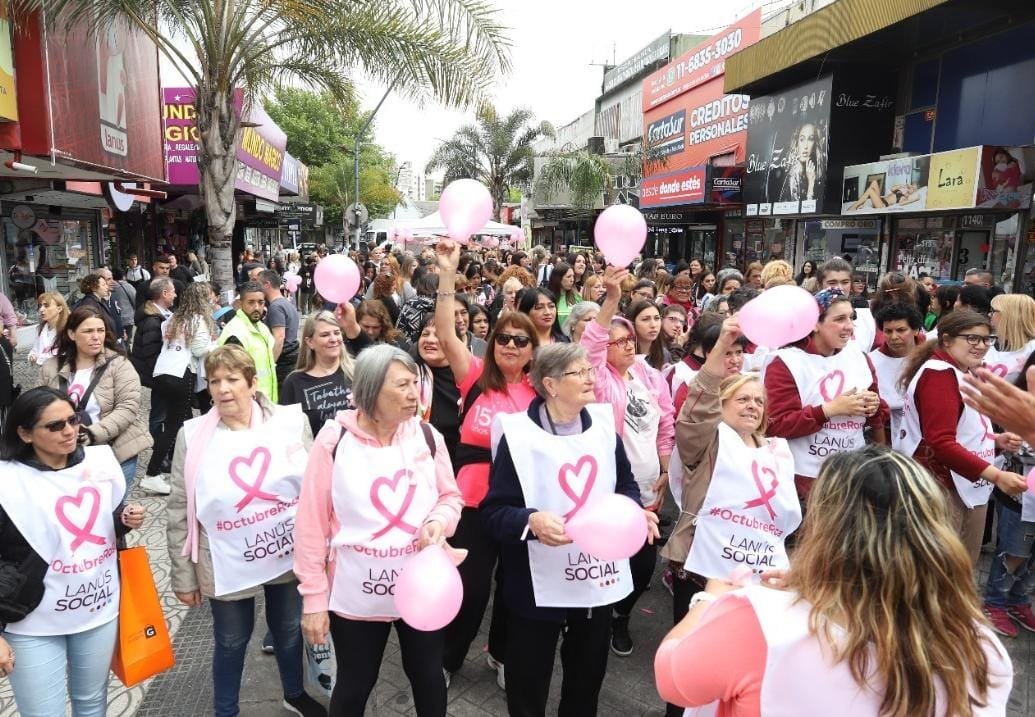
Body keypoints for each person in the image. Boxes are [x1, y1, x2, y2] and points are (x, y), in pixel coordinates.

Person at [655, 445, 1013, 716]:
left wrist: (707, 602)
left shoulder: (760, 625)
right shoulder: (982, 649)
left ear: (826, 527)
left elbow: (672, 678)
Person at [482, 342, 659, 715]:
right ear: (550, 383)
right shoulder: (517, 436)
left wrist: (634, 512)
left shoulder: (603, 430)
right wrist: (529, 520)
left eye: (589, 371)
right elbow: (495, 512)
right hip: (536, 584)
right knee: (528, 677)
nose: (589, 378)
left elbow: (624, 486)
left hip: (594, 576)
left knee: (587, 674)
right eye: (578, 372)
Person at [294, 345, 462, 715]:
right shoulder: (334, 441)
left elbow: (451, 497)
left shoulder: (427, 436)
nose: (413, 394)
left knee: (428, 676)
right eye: (401, 385)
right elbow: (309, 527)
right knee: (355, 684)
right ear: (371, 391)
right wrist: (314, 601)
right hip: (356, 590)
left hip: (421, 585)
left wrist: (438, 522)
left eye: (414, 383)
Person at [167, 345, 324, 717]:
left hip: (286, 552)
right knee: (231, 639)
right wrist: (183, 576)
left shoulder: (288, 423)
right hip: (226, 559)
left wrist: (322, 553)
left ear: (253, 383)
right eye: (215, 381)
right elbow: (178, 508)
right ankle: (227, 711)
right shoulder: (191, 437)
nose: (222, 389)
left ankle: (294, 692)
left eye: (232, 380)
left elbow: (318, 488)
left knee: (287, 629)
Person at [0, 387, 145, 717]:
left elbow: (93, 526)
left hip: (96, 610)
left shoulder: (98, 464)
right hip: (31, 622)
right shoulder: (6, 482)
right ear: (24, 433)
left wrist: (122, 519)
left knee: (92, 702)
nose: (69, 431)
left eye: (73, 420)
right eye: (54, 426)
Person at [434, 239, 540, 686]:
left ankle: (501, 652)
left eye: (521, 340)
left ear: (533, 349)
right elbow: (444, 334)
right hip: (474, 503)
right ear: (492, 343)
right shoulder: (475, 376)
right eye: (504, 338)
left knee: (515, 590)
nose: (511, 345)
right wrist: (446, 273)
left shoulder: (542, 391)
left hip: (518, 505)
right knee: (472, 587)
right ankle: (447, 657)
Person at [662, 317, 799, 646]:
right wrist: (722, 346)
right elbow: (697, 408)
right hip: (702, 567)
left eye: (759, 401)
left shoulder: (776, 452)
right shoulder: (705, 443)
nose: (753, 405)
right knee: (693, 659)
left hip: (754, 572)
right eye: (742, 399)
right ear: (720, 407)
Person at [581, 267, 674, 656]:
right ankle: (591, 620)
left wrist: (667, 469)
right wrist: (613, 300)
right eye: (617, 341)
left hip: (650, 486)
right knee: (607, 559)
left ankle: (621, 615)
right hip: (613, 489)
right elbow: (590, 345)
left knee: (641, 567)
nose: (627, 346)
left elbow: (665, 422)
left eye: (630, 340)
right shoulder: (599, 379)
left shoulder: (650, 376)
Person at [896, 309, 1027, 563]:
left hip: (963, 486)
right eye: (972, 338)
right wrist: (997, 475)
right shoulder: (939, 374)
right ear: (946, 340)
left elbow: (962, 431)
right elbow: (940, 442)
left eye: (987, 339)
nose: (981, 346)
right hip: (943, 488)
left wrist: (994, 443)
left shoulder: (959, 370)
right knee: (940, 573)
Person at [762, 288, 888, 503]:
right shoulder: (786, 362)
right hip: (803, 477)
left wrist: (873, 406)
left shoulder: (858, 357)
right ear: (815, 324)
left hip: (852, 473)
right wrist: (830, 410)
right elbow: (774, 425)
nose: (849, 326)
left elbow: (878, 416)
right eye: (839, 319)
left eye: (851, 318)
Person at [40, 306, 153, 494]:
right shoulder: (51, 367)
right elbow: (38, 408)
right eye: (88, 331)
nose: (96, 337)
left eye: (100, 330)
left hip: (114, 451)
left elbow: (128, 408)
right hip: (65, 454)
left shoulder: (119, 364)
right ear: (72, 334)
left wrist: (91, 434)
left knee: (109, 511)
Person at [144, 282, 217, 492]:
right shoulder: (199, 321)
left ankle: (187, 465)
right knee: (175, 425)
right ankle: (152, 473)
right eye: (209, 297)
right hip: (181, 374)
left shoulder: (171, 319)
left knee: (182, 422)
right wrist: (216, 344)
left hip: (161, 372)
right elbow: (198, 349)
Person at [280, 308, 361, 437]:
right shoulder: (294, 383)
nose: (333, 339)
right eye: (325, 335)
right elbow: (287, 433)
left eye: (337, 332)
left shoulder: (358, 372)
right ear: (310, 342)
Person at [869, 303, 923, 441]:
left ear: (916, 330)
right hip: (887, 434)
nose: (894, 337)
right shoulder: (871, 361)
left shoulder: (933, 354)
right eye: (888, 331)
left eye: (901, 330)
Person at [218, 281, 277, 403]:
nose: (256, 307)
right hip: (248, 405)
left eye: (260, 302)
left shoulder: (262, 327)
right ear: (240, 304)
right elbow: (231, 377)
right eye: (251, 302)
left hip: (266, 402)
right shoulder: (235, 333)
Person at [258, 269, 301, 386]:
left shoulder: (275, 307)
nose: (256, 289)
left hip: (284, 362)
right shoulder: (287, 303)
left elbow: (279, 337)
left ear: (267, 285)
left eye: (258, 284)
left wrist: (270, 365)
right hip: (291, 358)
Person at [985, 293, 1035, 384]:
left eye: (993, 311)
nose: (989, 314)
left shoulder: (1032, 349)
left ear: (1009, 315)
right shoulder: (985, 342)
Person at [28, 292, 68, 366]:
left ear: (59, 309)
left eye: (46, 306)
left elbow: (66, 355)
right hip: (44, 373)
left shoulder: (67, 329)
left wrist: (41, 357)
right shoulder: (41, 328)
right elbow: (35, 350)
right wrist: (32, 356)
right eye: (40, 305)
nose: (41, 309)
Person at [625, 299, 666, 370]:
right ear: (632, 322)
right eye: (645, 319)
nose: (653, 325)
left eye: (657, 318)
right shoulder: (624, 354)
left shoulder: (664, 354)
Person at [547, 262, 581, 327]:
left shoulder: (577, 297)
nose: (572, 280)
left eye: (573, 276)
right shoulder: (547, 298)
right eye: (568, 277)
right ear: (558, 278)